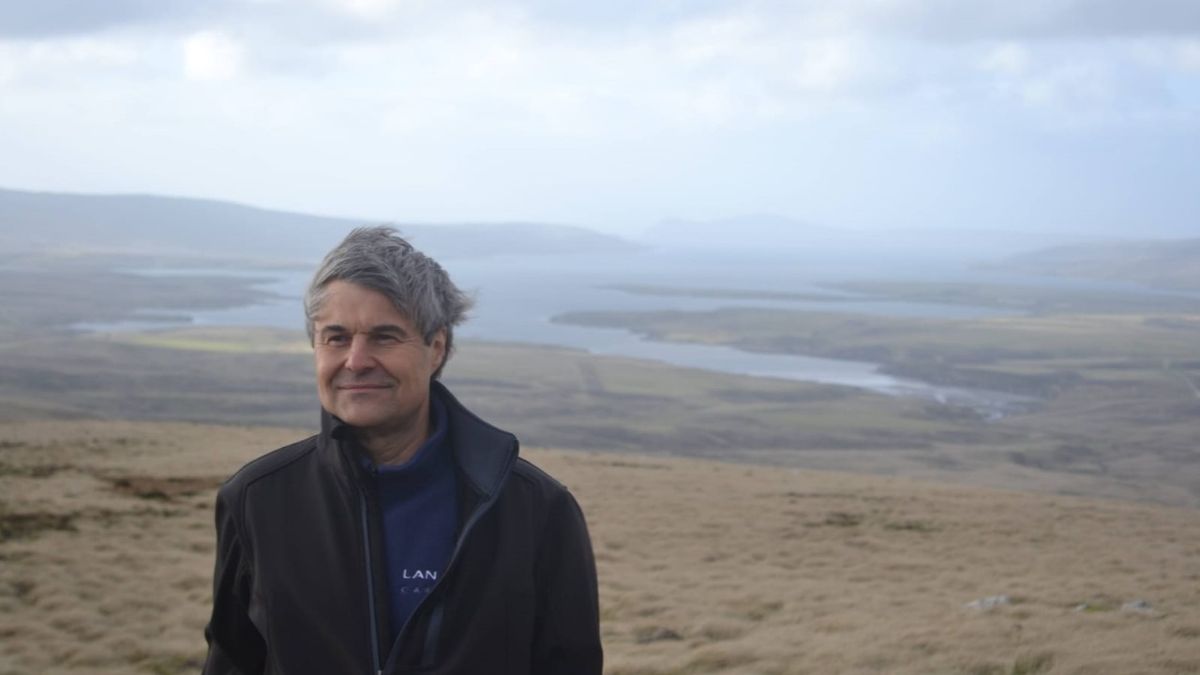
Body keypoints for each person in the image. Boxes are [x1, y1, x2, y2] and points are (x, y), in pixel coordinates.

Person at [203, 226, 603, 674]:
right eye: (336, 337)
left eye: (384, 337)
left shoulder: (534, 508)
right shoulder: (257, 500)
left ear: (436, 348)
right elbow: (232, 662)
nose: (355, 360)